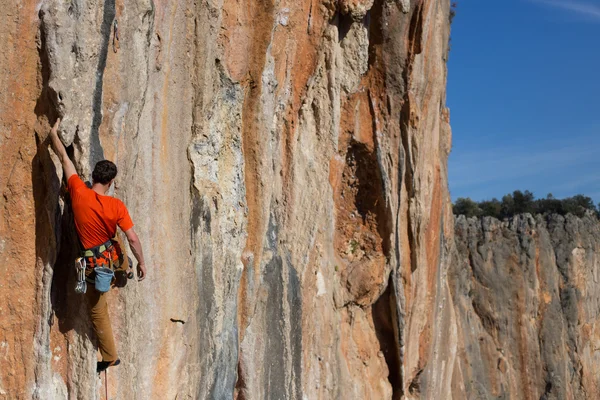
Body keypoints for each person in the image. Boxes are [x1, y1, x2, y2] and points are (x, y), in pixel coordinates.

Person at [48, 118, 147, 373]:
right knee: (117, 247)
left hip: (92, 265)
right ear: (111, 182)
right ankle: (123, 272)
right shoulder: (116, 206)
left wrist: (53, 134)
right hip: (112, 258)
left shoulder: (78, 192)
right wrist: (141, 263)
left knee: (97, 308)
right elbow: (133, 238)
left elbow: (65, 159)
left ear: (92, 175)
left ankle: (110, 355)